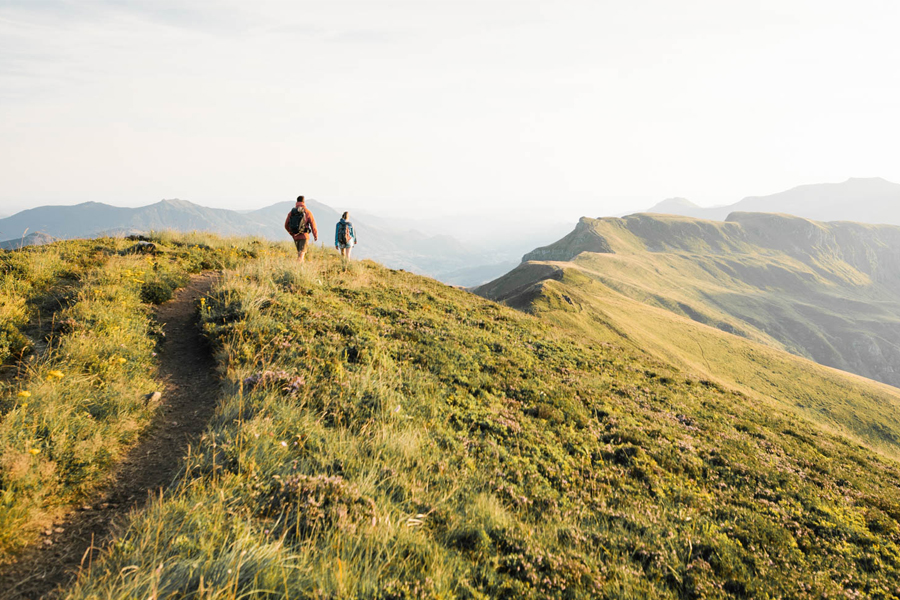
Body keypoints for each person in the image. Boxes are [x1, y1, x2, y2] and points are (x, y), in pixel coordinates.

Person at [284, 195, 318, 262]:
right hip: (304, 236)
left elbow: (286, 225)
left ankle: (300, 269)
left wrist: (292, 233)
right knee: (301, 255)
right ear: (304, 202)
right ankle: (297, 269)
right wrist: (315, 235)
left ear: (297, 202)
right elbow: (313, 224)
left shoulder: (292, 212)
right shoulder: (307, 212)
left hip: (295, 236)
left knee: (300, 254)